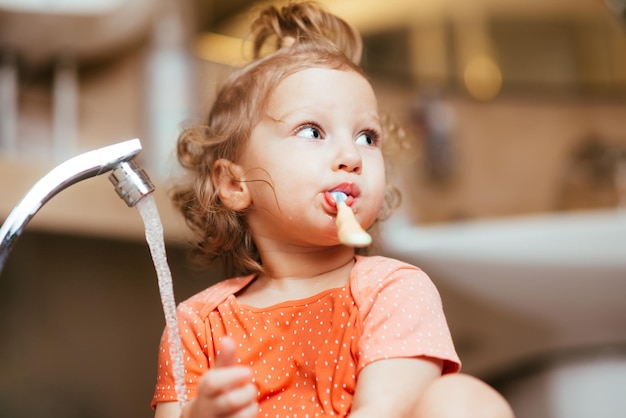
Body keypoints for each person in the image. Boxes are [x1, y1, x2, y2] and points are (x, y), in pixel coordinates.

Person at [152, 2, 515, 417]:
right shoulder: (198, 325)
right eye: (312, 131)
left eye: (367, 137)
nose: (351, 156)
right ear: (235, 184)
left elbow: (387, 408)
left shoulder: (393, 290)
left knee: (464, 399)